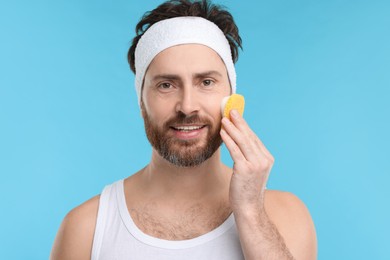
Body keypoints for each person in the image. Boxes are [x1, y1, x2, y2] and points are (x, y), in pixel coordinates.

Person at [50, 0, 317, 259]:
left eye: (207, 82)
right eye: (166, 85)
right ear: (142, 101)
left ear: (232, 97)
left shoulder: (286, 216)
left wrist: (249, 212)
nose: (188, 107)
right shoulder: (86, 229)